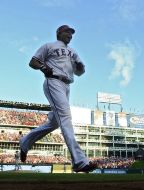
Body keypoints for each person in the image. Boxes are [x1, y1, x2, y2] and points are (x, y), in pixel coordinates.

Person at [19, 25, 97, 173]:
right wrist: (43, 67)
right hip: (53, 81)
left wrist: (80, 67)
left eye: (72, 33)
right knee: (66, 117)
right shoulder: (49, 46)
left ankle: (25, 142)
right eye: (67, 32)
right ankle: (80, 161)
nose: (70, 35)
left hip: (67, 85)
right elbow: (33, 62)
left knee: (55, 122)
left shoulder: (73, 52)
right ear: (59, 33)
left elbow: (79, 72)